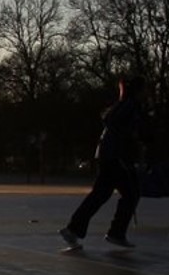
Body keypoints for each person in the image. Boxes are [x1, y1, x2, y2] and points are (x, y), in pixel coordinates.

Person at [60, 75, 148, 249]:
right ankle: (116, 232)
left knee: (101, 194)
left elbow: (113, 124)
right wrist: (133, 138)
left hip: (108, 154)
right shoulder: (131, 106)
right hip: (117, 156)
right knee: (131, 193)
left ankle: (74, 229)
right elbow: (123, 129)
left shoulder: (122, 106)